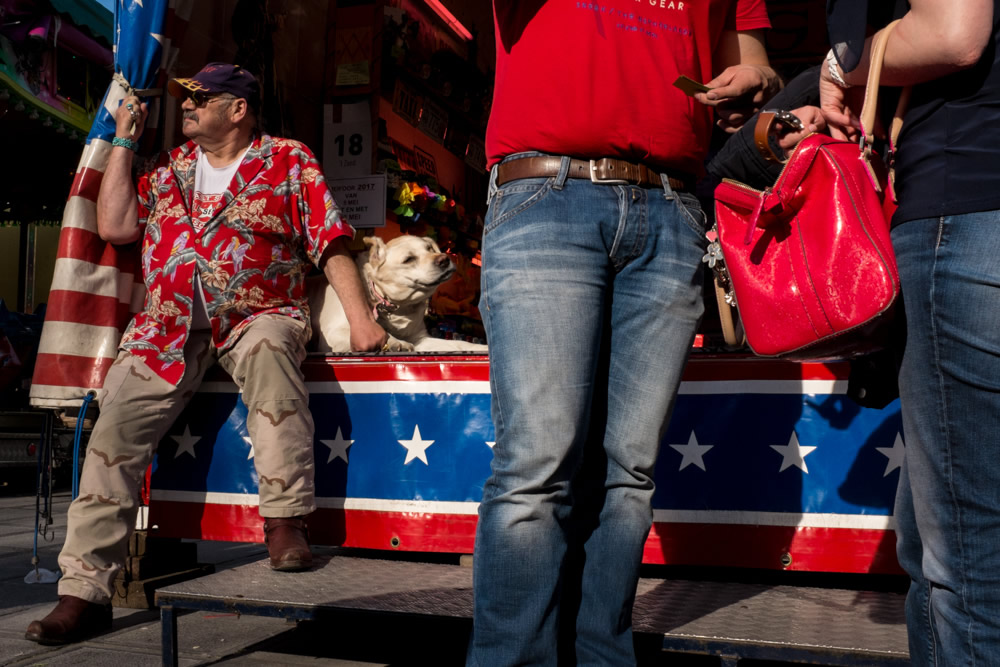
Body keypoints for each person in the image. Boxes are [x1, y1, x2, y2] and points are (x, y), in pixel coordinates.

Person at [25, 62, 392, 645]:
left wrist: (360, 318)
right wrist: (123, 139)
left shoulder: (289, 161)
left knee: (273, 357)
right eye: (185, 96)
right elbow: (116, 224)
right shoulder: (170, 167)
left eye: (200, 97)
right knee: (111, 436)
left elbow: (330, 237)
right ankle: (83, 594)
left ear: (238, 109)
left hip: (257, 313)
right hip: (166, 329)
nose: (187, 105)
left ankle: (284, 522)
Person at [468, 2, 779, 664]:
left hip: (670, 208)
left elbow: (752, 63)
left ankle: (601, 654)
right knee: (537, 464)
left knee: (626, 474)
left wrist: (750, 85)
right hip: (545, 191)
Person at [820, 1, 1000, 663]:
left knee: (968, 565)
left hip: (965, 209)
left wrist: (842, 62)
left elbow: (954, 33)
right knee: (928, 540)